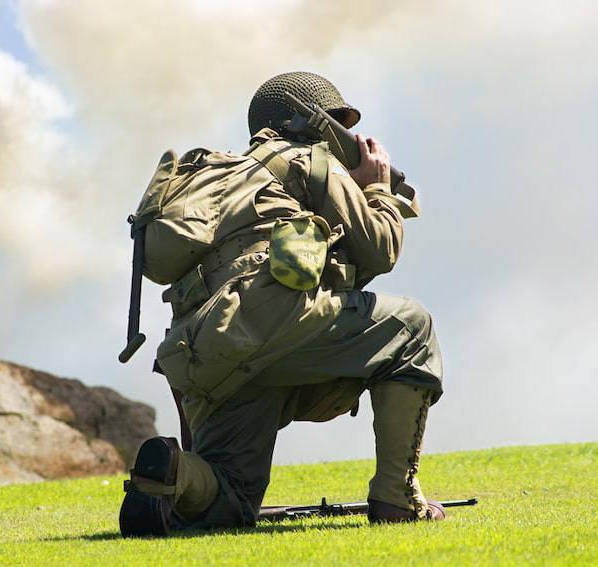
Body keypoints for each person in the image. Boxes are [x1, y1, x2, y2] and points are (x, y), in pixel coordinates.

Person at [119, 71, 445, 537]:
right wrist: (374, 189)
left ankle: (172, 472)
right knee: (412, 328)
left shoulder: (231, 177)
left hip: (203, 350)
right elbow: (379, 248)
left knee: (230, 498)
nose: (346, 137)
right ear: (308, 122)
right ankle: (398, 497)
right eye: (338, 123)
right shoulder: (307, 159)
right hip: (273, 325)